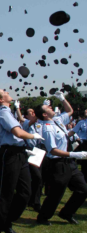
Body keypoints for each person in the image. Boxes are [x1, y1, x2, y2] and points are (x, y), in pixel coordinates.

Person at [0, 88, 44, 233]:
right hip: (9, 154)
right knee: (6, 194)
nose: (7, 91)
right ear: (0, 99)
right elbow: (17, 132)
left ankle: (6, 221)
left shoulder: (7, 111)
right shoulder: (3, 112)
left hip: (18, 153)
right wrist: (33, 136)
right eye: (3, 91)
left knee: (25, 192)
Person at [34, 97, 87, 226]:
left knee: (83, 189)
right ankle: (43, 217)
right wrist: (75, 154)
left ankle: (66, 213)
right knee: (56, 194)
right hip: (58, 164)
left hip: (69, 163)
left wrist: (62, 99)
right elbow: (53, 150)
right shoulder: (47, 129)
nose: (51, 107)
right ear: (45, 114)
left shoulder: (57, 120)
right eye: (48, 108)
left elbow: (69, 111)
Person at [15, 102, 44, 212]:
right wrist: (40, 110)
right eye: (31, 112)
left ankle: (34, 200)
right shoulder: (26, 123)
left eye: (34, 112)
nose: (33, 113)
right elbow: (23, 118)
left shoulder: (40, 123)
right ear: (27, 116)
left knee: (39, 178)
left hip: (39, 151)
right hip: (29, 151)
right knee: (36, 177)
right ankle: (33, 201)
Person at [68, 109, 87, 181]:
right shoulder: (81, 123)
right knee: (85, 163)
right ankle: (84, 178)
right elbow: (72, 132)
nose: (86, 112)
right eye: (85, 111)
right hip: (85, 143)